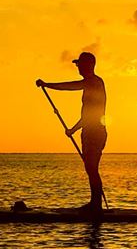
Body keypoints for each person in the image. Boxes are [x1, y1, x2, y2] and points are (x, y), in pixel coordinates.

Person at [37, 51, 107, 211]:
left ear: (89, 65)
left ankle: (96, 205)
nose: (78, 67)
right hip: (88, 132)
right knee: (90, 168)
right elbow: (85, 113)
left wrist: (47, 85)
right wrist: (74, 130)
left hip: (95, 132)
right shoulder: (88, 84)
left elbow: (70, 87)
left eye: (80, 64)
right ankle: (94, 203)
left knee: (92, 167)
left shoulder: (94, 83)